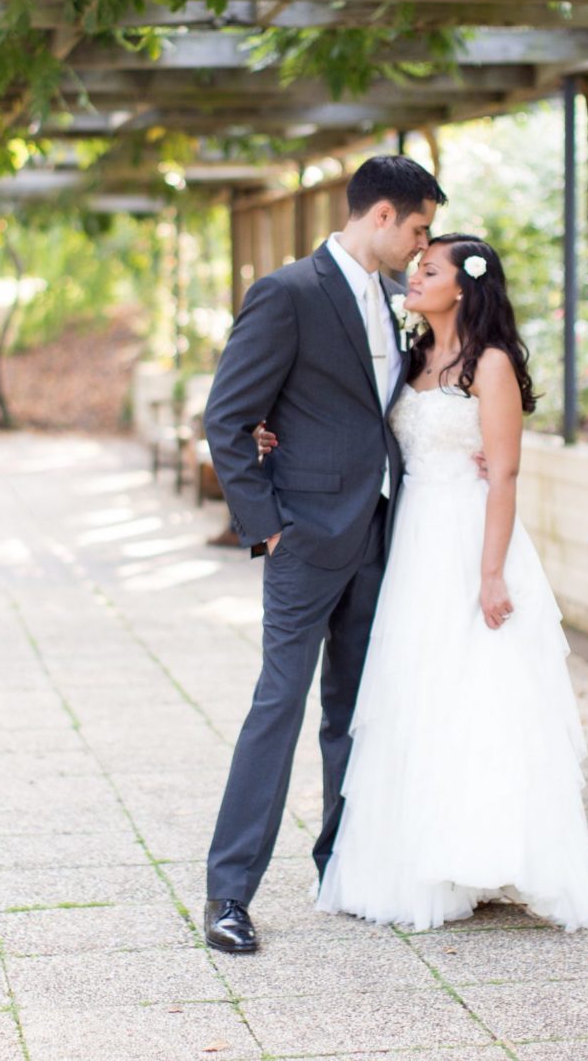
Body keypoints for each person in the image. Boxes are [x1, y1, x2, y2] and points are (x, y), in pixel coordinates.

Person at [274, 235, 588, 932]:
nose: (413, 276)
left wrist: (490, 574)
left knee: (476, 694)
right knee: (414, 691)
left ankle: (481, 853)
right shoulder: (413, 355)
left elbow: (507, 474)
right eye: (415, 266)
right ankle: (418, 858)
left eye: (429, 269)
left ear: (463, 286)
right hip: (411, 539)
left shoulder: (491, 364)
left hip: (468, 537)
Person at [200, 155, 444, 954]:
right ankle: (229, 895)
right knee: (279, 706)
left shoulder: (388, 296)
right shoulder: (288, 293)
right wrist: (268, 525)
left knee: (356, 714)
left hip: (380, 533)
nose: (421, 247)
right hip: (305, 536)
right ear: (380, 216)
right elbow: (229, 417)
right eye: (416, 229)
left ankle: (340, 867)